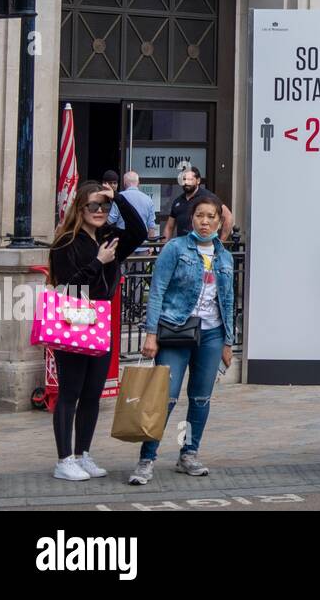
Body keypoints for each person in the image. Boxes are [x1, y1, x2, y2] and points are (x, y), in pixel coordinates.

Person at [46, 180, 148, 481]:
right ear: (80, 207)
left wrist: (119, 198)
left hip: (101, 320)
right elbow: (69, 286)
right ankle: (64, 459)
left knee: (93, 393)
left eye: (104, 205)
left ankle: (82, 454)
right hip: (73, 319)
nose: (99, 210)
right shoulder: (66, 242)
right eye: (93, 205)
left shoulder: (109, 237)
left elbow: (139, 231)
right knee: (70, 392)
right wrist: (97, 262)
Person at [128, 196, 234, 485]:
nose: (205, 221)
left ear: (219, 221)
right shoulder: (176, 248)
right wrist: (151, 334)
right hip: (175, 329)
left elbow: (227, 298)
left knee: (200, 398)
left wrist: (228, 341)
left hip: (211, 333)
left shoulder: (224, 255)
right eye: (200, 215)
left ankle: (189, 452)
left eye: (211, 216)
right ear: (192, 219)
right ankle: (147, 458)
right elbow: (158, 291)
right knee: (167, 397)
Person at [163, 167, 233, 240]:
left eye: (190, 179)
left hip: (202, 247)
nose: (186, 182)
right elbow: (169, 227)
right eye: (184, 179)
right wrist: (163, 249)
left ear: (198, 181)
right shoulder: (177, 201)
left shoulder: (208, 197)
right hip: (182, 248)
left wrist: (222, 242)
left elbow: (228, 217)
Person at [106, 170, 158, 240]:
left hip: (125, 245)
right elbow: (151, 226)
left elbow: (110, 221)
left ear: (124, 183)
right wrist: (151, 246)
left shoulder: (119, 198)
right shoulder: (148, 199)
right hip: (143, 246)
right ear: (138, 183)